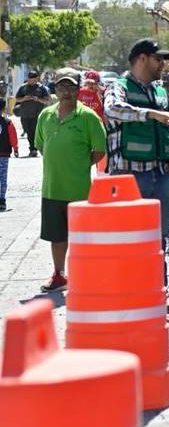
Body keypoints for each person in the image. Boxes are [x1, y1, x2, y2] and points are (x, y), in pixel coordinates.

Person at [105, 39, 169, 254]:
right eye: (158, 59)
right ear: (142, 58)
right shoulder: (119, 86)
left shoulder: (161, 92)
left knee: (159, 239)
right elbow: (112, 109)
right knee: (128, 238)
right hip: (129, 177)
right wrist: (150, 114)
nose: (163, 64)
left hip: (163, 175)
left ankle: (157, 274)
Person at [35, 69, 107, 292]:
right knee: (56, 237)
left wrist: (80, 164)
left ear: (78, 89)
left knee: (82, 237)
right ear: (55, 89)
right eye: (61, 87)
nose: (65, 92)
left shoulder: (88, 117)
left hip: (79, 190)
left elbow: (99, 150)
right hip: (52, 188)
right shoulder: (45, 115)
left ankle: (85, 276)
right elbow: (41, 145)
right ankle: (59, 275)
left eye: (71, 87)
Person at [15, 71, 51, 157]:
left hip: (37, 115)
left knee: (35, 132)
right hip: (25, 114)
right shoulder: (23, 87)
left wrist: (37, 99)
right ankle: (33, 148)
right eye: (30, 79)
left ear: (37, 79)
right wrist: (24, 98)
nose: (32, 81)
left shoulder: (41, 88)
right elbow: (17, 99)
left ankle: (33, 149)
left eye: (34, 79)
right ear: (28, 79)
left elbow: (47, 101)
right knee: (29, 132)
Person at [0, 105, 18, 211]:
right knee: (3, 178)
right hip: (4, 154)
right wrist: (15, 149)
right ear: (3, 109)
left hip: (4, 154)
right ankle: (2, 201)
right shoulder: (8, 122)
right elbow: (13, 137)